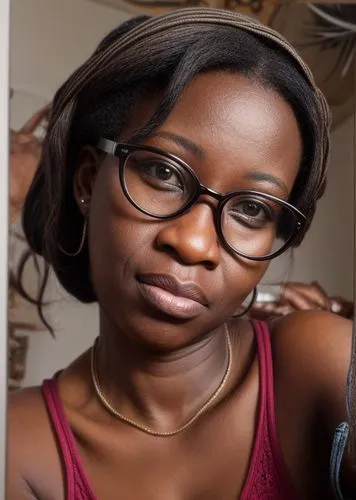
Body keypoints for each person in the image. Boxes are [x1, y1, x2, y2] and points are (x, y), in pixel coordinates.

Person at [7, 8, 355, 500]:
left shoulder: (317, 363)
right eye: (163, 173)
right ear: (88, 180)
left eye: (252, 209)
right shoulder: (19, 445)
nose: (194, 243)